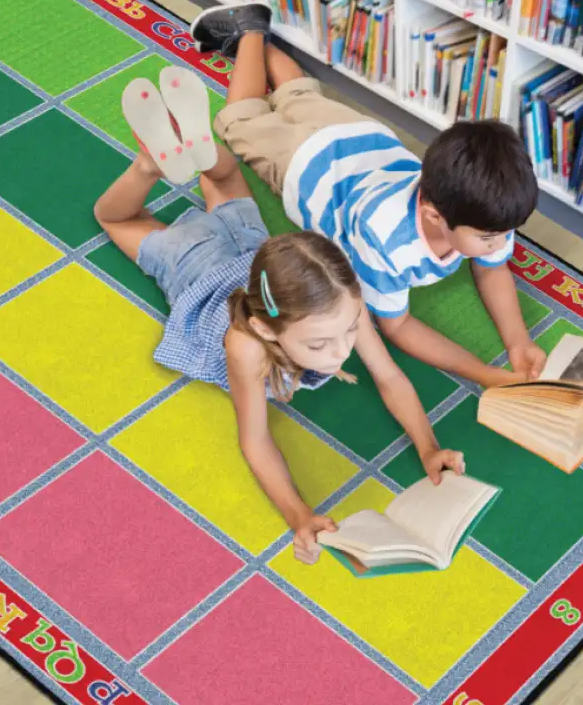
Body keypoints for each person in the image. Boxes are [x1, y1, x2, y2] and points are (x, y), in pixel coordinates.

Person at [95, 65, 464, 565]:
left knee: (223, 174)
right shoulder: (245, 345)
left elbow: (389, 374)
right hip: (195, 264)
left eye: (346, 333)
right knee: (116, 218)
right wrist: (298, 513)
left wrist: (428, 448)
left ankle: (195, 147)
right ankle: (149, 166)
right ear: (268, 329)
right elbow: (255, 438)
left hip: (253, 249)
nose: (339, 353)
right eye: (318, 346)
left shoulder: (340, 303)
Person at [189, 2, 547, 389]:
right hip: (303, 166)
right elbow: (399, 325)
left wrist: (518, 342)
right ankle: (250, 32)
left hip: (362, 139)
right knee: (243, 119)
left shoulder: (489, 210)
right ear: (432, 215)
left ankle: (257, 38)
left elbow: (492, 267)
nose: (500, 241)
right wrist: (483, 373)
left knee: (297, 98)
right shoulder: (386, 241)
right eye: (489, 237)